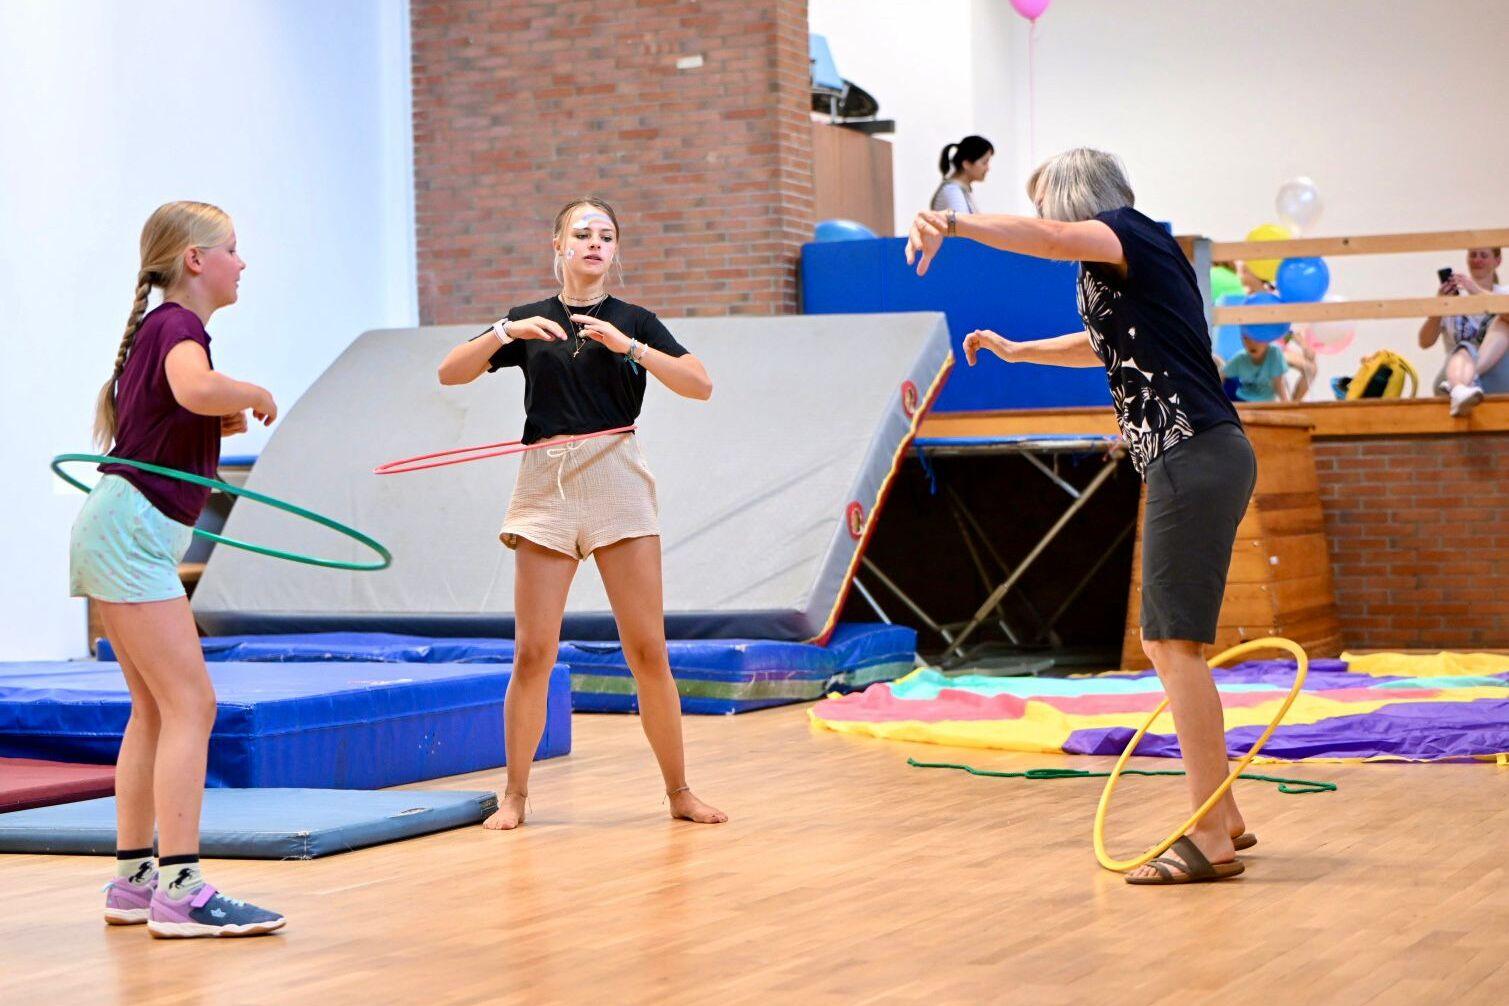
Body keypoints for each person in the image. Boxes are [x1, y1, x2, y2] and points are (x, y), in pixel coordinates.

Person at [906, 149, 1257, 885]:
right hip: (1195, 454)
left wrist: (953, 221)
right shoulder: (1118, 271)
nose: (1041, 221)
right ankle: (1223, 816)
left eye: (1043, 206)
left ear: (1070, 199)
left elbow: (1057, 240)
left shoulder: (1125, 232)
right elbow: (1103, 348)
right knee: (1173, 645)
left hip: (1192, 452)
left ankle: (1208, 837)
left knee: (1171, 645)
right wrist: (1015, 349)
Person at [437, 198, 727, 830]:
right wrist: (503, 333)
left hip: (617, 479)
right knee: (533, 651)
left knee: (648, 649)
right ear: (558, 244)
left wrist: (632, 350)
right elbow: (449, 374)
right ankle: (514, 794)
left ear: (615, 251)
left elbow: (700, 383)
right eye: (582, 234)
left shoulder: (635, 320)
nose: (595, 244)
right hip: (545, 485)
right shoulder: (528, 319)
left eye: (606, 236)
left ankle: (679, 792)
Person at [78, 202, 286, 937]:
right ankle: (182, 891)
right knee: (192, 705)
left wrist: (208, 417)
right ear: (196, 260)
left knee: (157, 709)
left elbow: (181, 405)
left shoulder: (158, 334)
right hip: (132, 532)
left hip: (119, 529)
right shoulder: (178, 326)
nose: (242, 262)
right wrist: (250, 393)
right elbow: (197, 387)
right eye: (232, 249)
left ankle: (135, 881)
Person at [1418, 247, 1506, 416]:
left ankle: (1466, 380)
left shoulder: (1504, 294)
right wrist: (1439, 306)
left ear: (1497, 261)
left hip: (1497, 374)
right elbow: (1424, 342)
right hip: (1453, 372)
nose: (1477, 260)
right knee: (1465, 346)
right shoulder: (1454, 300)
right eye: (1473, 255)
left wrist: (1478, 293)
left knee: (1503, 320)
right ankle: (1460, 384)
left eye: (1484, 255)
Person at [930, 135, 994, 214]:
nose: (988, 168)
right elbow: (962, 224)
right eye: (984, 162)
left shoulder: (961, 190)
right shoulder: (952, 191)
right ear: (966, 164)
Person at [1223, 334, 1289, 402]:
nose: (1251, 344)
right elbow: (1221, 375)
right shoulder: (1240, 358)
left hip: (1265, 402)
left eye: (1257, 339)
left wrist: (1286, 405)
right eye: (1246, 338)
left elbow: (1279, 385)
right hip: (1242, 399)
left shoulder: (1274, 353)